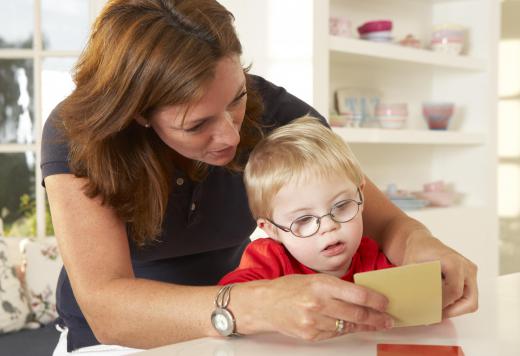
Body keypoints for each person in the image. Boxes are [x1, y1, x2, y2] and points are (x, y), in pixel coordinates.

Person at [41, 0, 478, 354]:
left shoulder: (277, 113)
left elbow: (383, 220)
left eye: (237, 98)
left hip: (238, 332)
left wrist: (424, 244)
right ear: (138, 115)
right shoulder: (77, 135)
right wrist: (255, 306)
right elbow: (108, 309)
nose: (230, 134)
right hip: (116, 343)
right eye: (197, 125)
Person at [219, 116, 395, 291]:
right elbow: (230, 299)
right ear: (272, 229)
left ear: (361, 195)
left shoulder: (371, 257)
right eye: (303, 219)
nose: (328, 226)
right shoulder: (268, 260)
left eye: (341, 206)